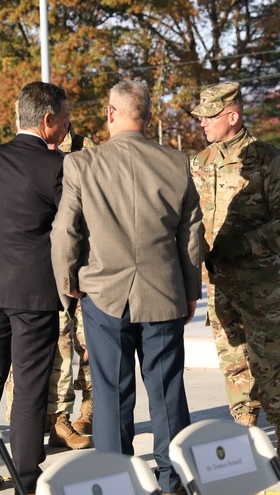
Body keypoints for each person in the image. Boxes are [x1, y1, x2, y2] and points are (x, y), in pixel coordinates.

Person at [51, 79, 203, 495]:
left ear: (110, 114)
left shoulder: (82, 164)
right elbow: (192, 237)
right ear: (149, 117)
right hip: (164, 294)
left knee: (111, 393)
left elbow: (65, 230)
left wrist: (68, 283)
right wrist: (190, 292)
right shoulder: (177, 163)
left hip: (103, 295)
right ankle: (173, 479)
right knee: (167, 391)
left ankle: (115, 480)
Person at [0, 81, 70, 494]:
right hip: (34, 291)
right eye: (65, 117)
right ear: (47, 120)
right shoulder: (56, 166)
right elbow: (69, 230)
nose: (67, 125)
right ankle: (25, 478)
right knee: (29, 385)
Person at [189, 81, 280, 475]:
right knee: (233, 363)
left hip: (259, 283)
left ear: (232, 116)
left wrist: (242, 246)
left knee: (269, 360)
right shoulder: (199, 162)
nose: (202, 123)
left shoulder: (269, 160)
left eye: (208, 117)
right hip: (218, 283)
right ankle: (244, 436)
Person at [5, 122, 94, 451]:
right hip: (36, 271)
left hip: (78, 270)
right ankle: (31, 423)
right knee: (40, 351)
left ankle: (68, 417)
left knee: (80, 349)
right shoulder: (22, 152)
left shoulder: (85, 151)